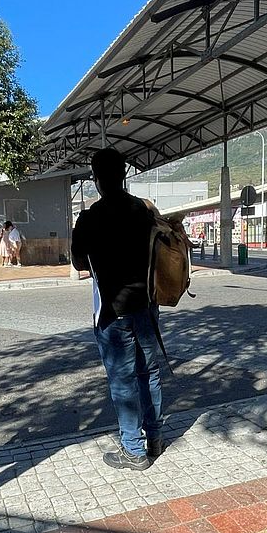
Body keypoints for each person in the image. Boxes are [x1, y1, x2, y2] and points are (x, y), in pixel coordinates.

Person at [71, 148, 164, 470]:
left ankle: (133, 450)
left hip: (113, 312)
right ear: (124, 175)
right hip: (147, 307)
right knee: (148, 373)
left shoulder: (89, 218)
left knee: (122, 380)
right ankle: (155, 438)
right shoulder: (144, 211)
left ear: (96, 180)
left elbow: (79, 263)